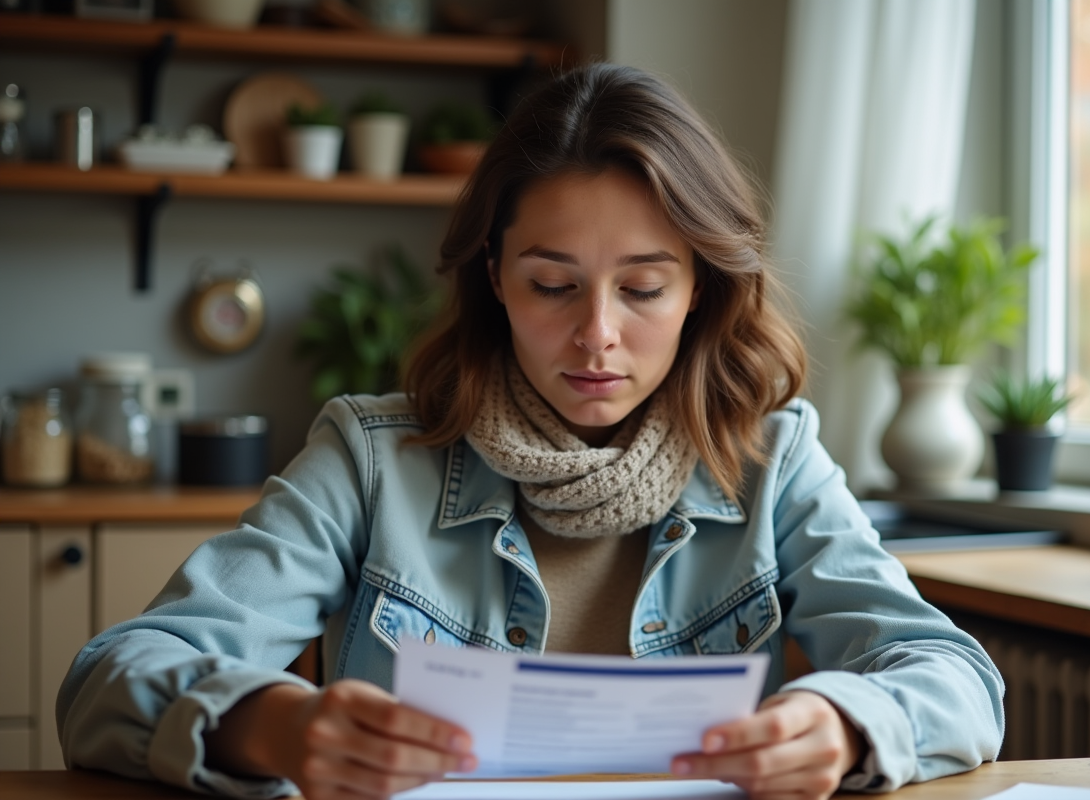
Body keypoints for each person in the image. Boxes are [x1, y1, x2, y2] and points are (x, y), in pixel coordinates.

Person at [58, 63, 1004, 800]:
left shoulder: (775, 459)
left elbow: (956, 678)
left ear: (700, 293)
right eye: (553, 285)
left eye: (642, 288)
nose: (597, 333)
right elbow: (108, 680)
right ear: (495, 280)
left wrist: (843, 723)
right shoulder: (371, 458)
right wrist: (277, 728)